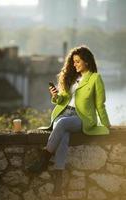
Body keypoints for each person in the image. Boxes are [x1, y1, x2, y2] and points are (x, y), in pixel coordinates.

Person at [27, 45, 111, 195]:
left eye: (78, 61)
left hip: (82, 118)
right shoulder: (73, 78)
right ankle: (58, 182)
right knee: (63, 135)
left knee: (62, 124)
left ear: (87, 61)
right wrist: (55, 96)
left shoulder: (95, 78)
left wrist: (106, 125)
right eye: (73, 62)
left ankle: (45, 157)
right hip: (65, 114)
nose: (75, 64)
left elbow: (100, 105)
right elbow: (63, 100)